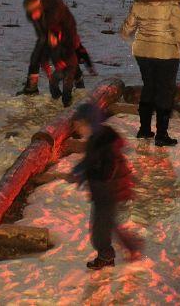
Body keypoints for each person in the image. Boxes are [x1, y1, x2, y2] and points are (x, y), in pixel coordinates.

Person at [120, 0, 180, 147]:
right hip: (166, 53)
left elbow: (128, 26)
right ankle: (161, 135)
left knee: (149, 86)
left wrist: (125, 33)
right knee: (165, 91)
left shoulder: (139, 1)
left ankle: (144, 129)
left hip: (143, 52)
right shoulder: (172, 4)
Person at [71, 102, 142, 270]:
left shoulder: (105, 144)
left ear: (89, 124)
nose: (77, 130)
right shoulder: (95, 140)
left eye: (78, 125)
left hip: (110, 193)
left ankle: (109, 255)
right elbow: (90, 161)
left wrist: (88, 174)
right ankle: (127, 249)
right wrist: (79, 170)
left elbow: (108, 170)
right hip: (103, 193)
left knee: (100, 231)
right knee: (107, 225)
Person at [20, 0, 94, 96]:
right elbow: (41, 33)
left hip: (66, 31)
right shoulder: (34, 14)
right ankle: (31, 88)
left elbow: (64, 28)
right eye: (30, 13)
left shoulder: (54, 8)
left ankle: (79, 85)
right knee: (36, 56)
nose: (33, 16)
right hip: (48, 31)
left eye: (34, 11)